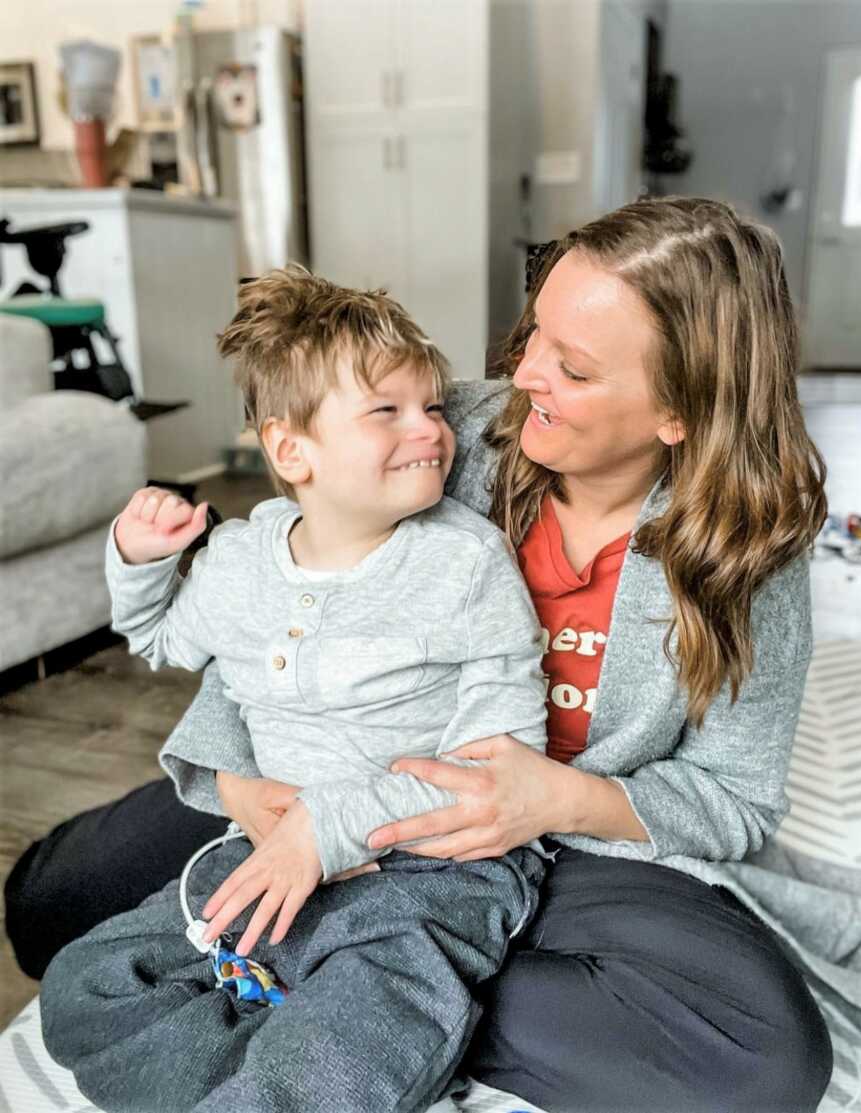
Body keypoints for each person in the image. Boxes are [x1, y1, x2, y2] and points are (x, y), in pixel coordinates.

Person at [16, 196, 861, 1113]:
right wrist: (244, 784)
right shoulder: (443, 438)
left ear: (678, 408)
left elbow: (737, 796)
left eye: (574, 366)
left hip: (558, 843)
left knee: (764, 1060)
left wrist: (558, 797)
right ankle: (368, 982)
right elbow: (280, 611)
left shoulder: (750, 547)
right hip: (332, 772)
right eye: (534, 335)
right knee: (52, 902)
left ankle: (372, 995)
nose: (525, 374)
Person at [37, 270, 550, 1113]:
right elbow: (161, 639)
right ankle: (258, 1056)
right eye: (386, 411)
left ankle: (294, 1063)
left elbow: (500, 759)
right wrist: (138, 560)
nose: (430, 430)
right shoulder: (242, 559)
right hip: (267, 858)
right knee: (82, 984)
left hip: (425, 870)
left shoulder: (465, 564)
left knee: (366, 1019)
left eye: (430, 406)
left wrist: (335, 824)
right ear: (290, 451)